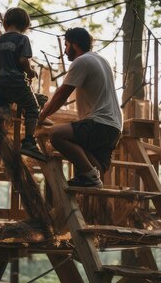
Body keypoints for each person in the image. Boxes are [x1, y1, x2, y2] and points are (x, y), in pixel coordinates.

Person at [38, 27, 122, 188]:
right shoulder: (101, 60)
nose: (64, 51)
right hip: (114, 127)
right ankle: (91, 176)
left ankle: (90, 178)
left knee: (56, 135)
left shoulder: (81, 61)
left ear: (75, 45)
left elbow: (62, 94)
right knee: (95, 167)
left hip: (100, 123)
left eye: (66, 45)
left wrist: (41, 117)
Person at [0, 7, 46, 162]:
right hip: (16, 83)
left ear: (5, 22)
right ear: (24, 25)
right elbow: (22, 60)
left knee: (5, 104)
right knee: (32, 107)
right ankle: (29, 141)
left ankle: (1, 110)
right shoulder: (22, 39)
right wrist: (30, 71)